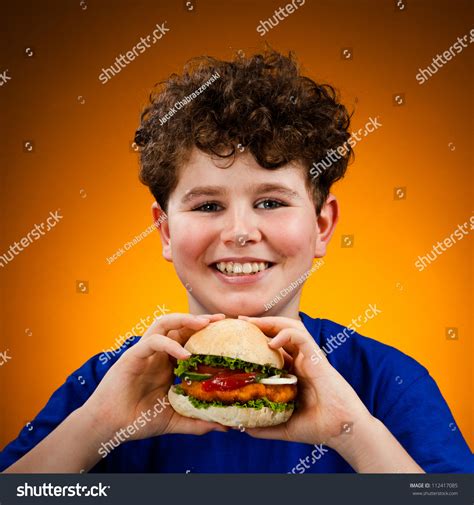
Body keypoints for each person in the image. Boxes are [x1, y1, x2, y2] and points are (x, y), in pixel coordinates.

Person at [1, 50, 472, 473]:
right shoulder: (109, 383)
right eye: (207, 205)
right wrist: (97, 429)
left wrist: (351, 431)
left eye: (271, 202)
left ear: (322, 225)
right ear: (165, 231)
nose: (240, 232)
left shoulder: (389, 382)